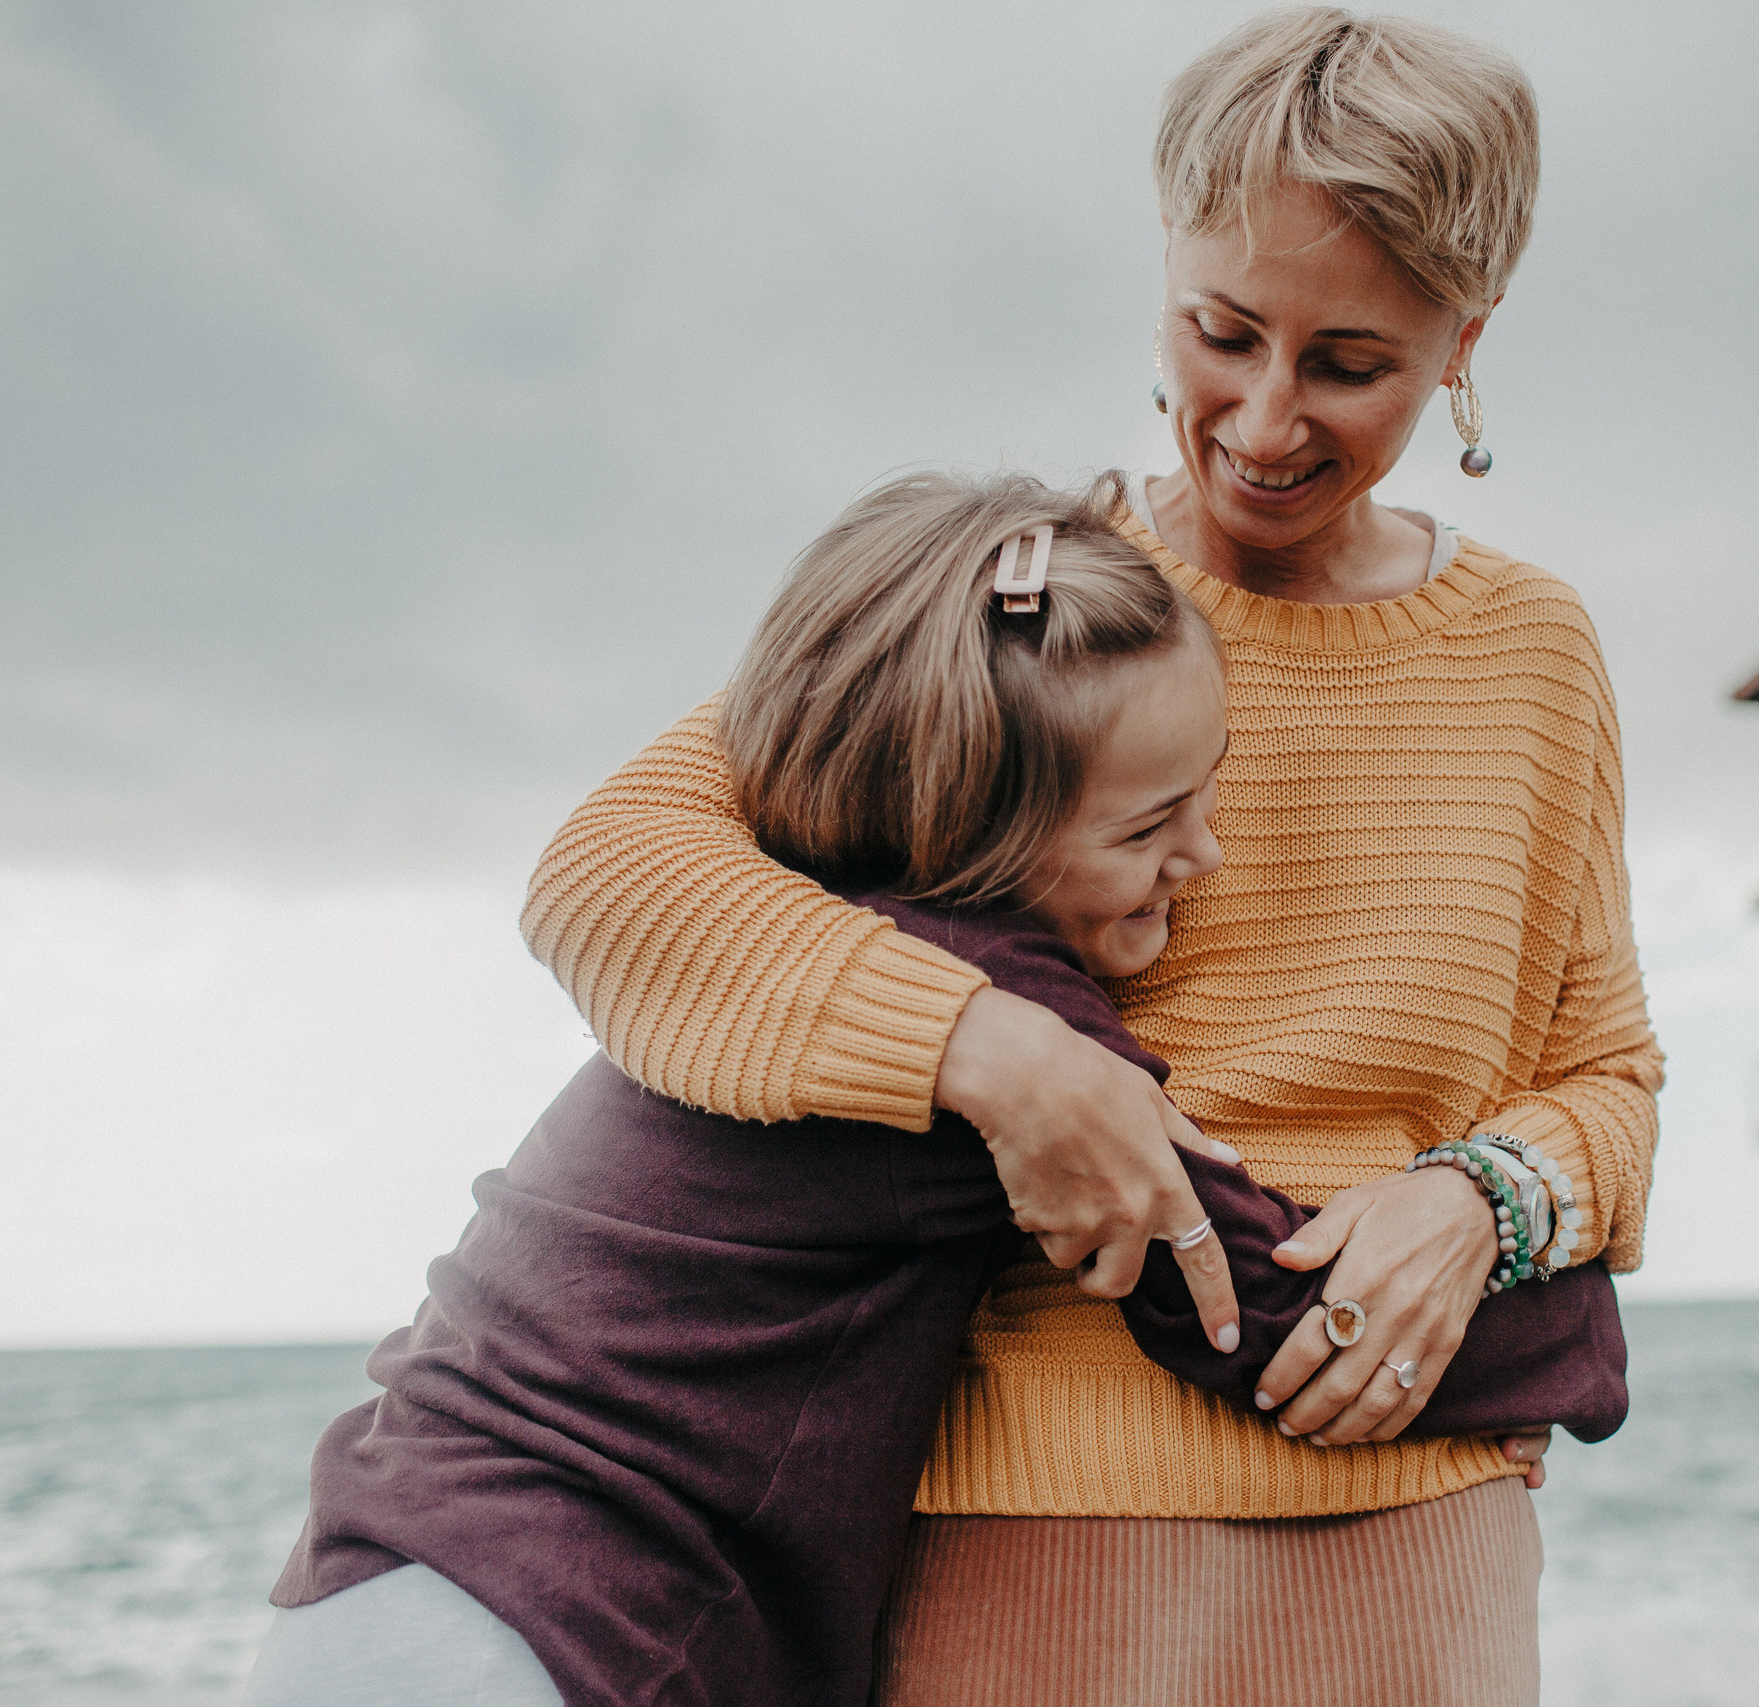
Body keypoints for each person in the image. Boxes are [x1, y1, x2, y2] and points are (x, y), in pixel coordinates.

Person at [519, 9, 1664, 1704]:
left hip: (1424, 1513)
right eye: (1223, 333)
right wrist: (994, 1061)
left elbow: (1611, 1084)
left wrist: (1477, 1204)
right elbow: (609, 871)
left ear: (1464, 342)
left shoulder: (1534, 654)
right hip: (1021, 1507)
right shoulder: (1025, 606)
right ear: (1166, 281)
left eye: (1351, 364)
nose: (1267, 419)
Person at [247, 470, 1629, 1707]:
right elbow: (1245, 1303)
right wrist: (1566, 1347)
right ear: (984, 829)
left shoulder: (813, 914)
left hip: (397, 1579)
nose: (1205, 855)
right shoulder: (990, 1003)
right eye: (1150, 825)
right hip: (544, 1629)